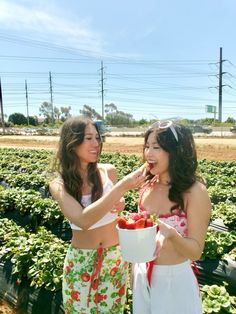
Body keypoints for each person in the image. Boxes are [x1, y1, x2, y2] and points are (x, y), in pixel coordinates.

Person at [49, 116, 145, 314]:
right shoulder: (59, 184)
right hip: (82, 262)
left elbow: (114, 209)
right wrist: (122, 188)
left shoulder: (108, 171)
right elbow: (83, 220)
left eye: (97, 137)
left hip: (114, 258)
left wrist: (120, 204)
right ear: (71, 143)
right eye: (88, 138)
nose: (96, 143)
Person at [132, 120, 211, 314]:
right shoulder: (146, 186)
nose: (148, 153)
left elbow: (196, 252)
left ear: (176, 151)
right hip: (142, 275)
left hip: (174, 280)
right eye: (147, 146)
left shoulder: (195, 192)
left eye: (156, 147)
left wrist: (172, 235)